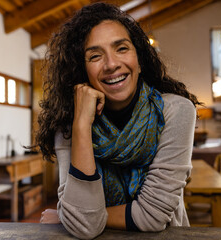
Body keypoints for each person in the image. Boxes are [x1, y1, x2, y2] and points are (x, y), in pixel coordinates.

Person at [36, 2, 201, 239]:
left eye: (121, 48)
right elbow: (84, 226)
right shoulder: (69, 124)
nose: (111, 64)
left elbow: (152, 215)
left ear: (140, 59)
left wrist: (67, 216)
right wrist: (82, 125)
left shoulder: (175, 111)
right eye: (95, 55)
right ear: (82, 71)